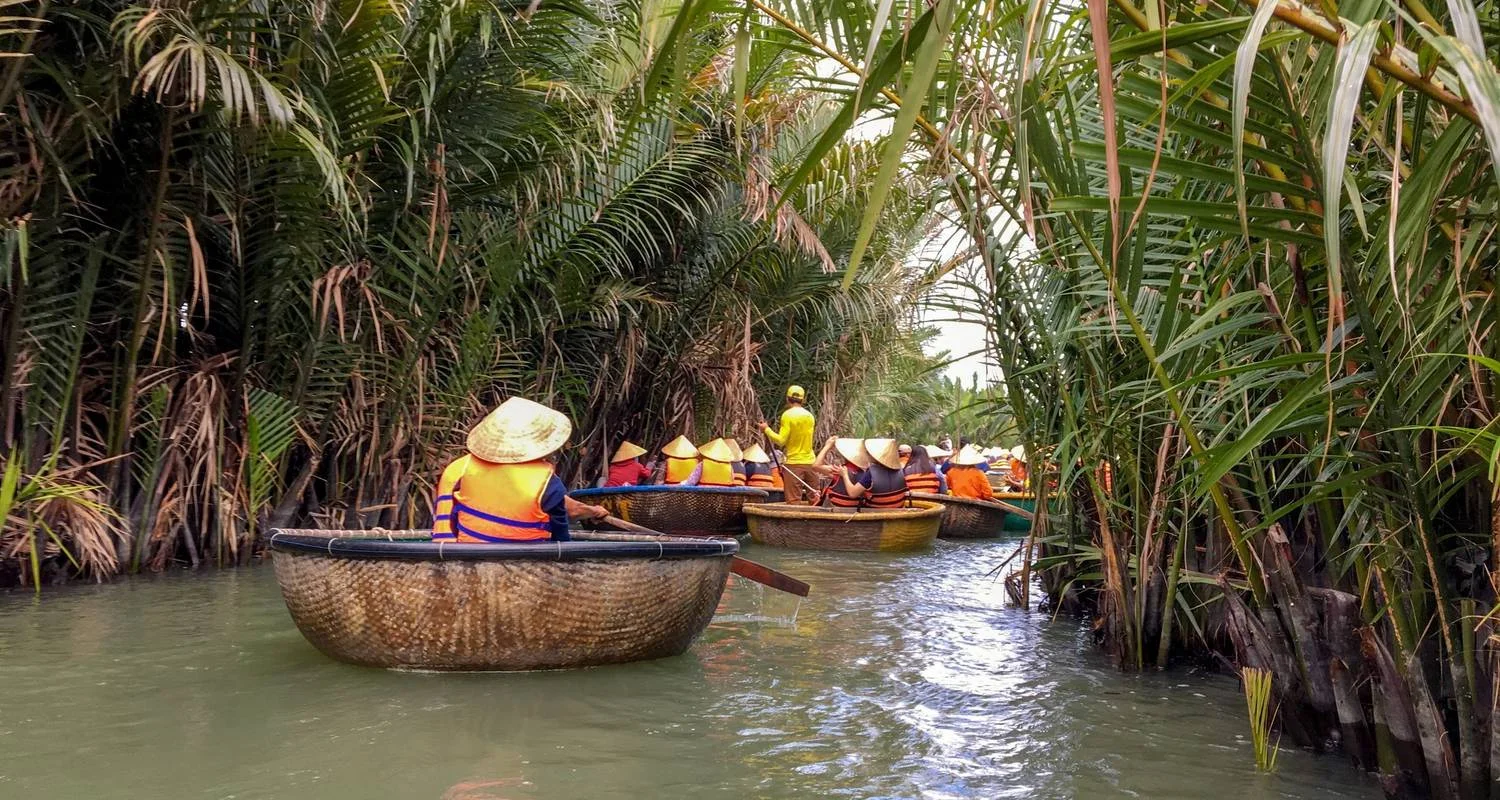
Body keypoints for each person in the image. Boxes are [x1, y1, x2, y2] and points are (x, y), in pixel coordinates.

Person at [431, 397, 606, 543]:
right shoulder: (547, 482)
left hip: (461, 557)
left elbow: (452, 521)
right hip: (526, 564)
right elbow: (561, 533)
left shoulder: (458, 468)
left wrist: (591, 511)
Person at [760, 385, 818, 504]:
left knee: (793, 501)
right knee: (815, 499)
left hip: (794, 463)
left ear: (787, 399)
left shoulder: (787, 415)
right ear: (803, 400)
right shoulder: (810, 416)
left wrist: (766, 429)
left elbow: (781, 441)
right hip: (811, 463)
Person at [814, 437, 908, 509]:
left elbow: (816, 466)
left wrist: (827, 446)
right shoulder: (902, 470)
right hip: (894, 508)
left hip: (865, 511)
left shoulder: (867, 472)